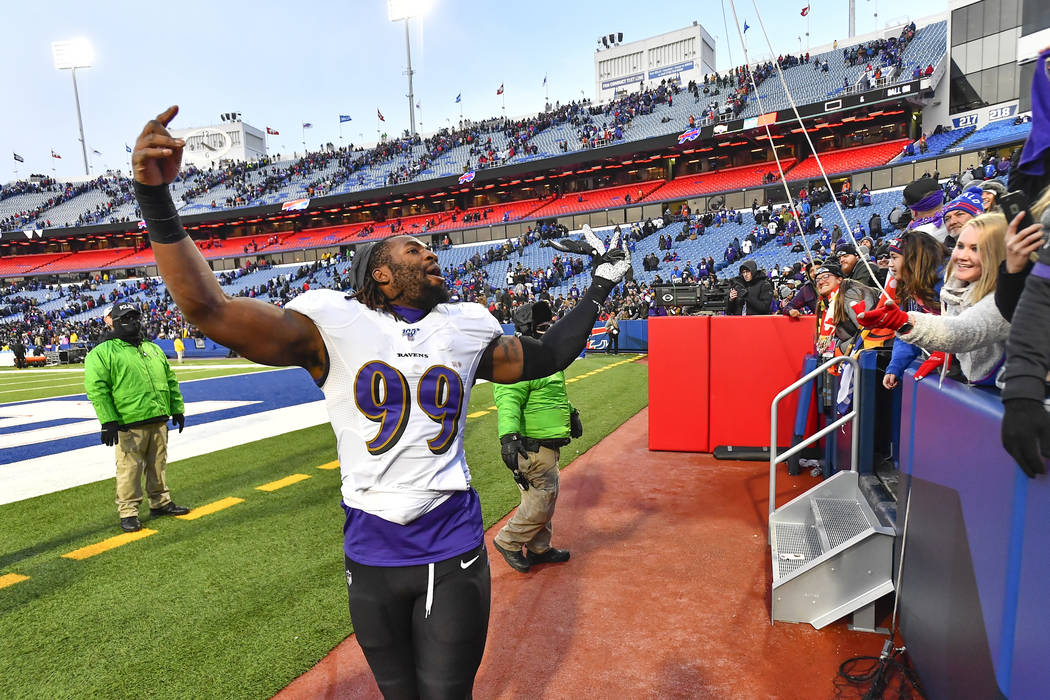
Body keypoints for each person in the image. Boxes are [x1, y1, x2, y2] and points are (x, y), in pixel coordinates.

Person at [130, 105, 632, 699]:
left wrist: (601, 284)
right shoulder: (331, 322)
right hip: (370, 545)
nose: (432, 254)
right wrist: (156, 204)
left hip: (450, 543)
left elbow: (548, 355)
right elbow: (209, 311)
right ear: (383, 276)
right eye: (415, 250)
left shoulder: (466, 325)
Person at [858, 213, 1010, 386]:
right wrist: (895, 363)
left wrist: (907, 323)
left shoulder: (1005, 297)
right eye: (960, 246)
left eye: (975, 248)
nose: (962, 255)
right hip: (981, 384)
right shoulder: (952, 287)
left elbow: (965, 331)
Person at [492, 301, 582, 573]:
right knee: (543, 498)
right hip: (531, 447)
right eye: (544, 327)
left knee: (542, 498)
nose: (550, 330)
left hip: (547, 445)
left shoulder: (543, 360)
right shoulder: (521, 362)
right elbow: (508, 401)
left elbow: (552, 396)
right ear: (530, 330)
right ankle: (508, 540)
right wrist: (508, 437)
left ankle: (539, 548)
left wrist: (571, 414)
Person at [84, 302, 189, 532]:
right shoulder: (101, 353)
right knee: (129, 469)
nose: (132, 323)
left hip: (158, 418)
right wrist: (108, 420)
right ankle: (128, 512)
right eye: (126, 318)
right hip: (128, 423)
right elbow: (97, 389)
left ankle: (160, 502)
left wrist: (177, 408)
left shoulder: (152, 349)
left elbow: (170, 380)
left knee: (158, 465)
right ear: (115, 322)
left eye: (135, 318)